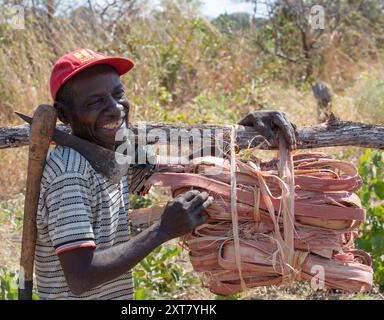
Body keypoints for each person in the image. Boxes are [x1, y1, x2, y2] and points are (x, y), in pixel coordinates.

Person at [35, 49, 297, 299]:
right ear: (65, 115)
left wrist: (243, 130)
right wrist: (162, 230)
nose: (116, 108)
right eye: (95, 102)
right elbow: (81, 276)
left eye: (118, 94)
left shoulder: (109, 152)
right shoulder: (69, 174)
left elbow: (183, 167)